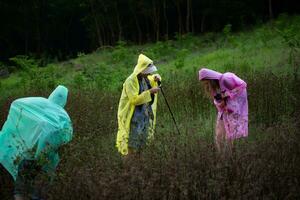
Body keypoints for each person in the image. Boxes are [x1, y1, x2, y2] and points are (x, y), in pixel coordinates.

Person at [0, 85, 73, 200]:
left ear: (52, 94)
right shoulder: (63, 116)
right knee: (39, 191)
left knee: (21, 189)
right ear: (65, 100)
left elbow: (17, 103)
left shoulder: (39, 106)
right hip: (46, 160)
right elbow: (67, 137)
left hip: (28, 155)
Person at [116, 54, 161, 156]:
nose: (148, 74)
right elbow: (134, 100)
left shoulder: (144, 78)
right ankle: (130, 166)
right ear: (141, 69)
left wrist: (156, 78)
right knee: (132, 143)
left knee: (143, 143)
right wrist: (150, 92)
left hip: (144, 116)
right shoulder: (130, 81)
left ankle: (139, 165)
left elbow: (151, 79)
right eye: (147, 72)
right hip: (133, 117)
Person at [199, 68, 248, 154]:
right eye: (204, 83)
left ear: (211, 79)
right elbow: (216, 101)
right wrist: (220, 104)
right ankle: (221, 155)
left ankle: (231, 154)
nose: (206, 85)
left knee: (231, 131)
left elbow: (243, 85)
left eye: (207, 82)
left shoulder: (226, 78)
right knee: (219, 133)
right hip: (224, 109)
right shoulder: (213, 87)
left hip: (235, 104)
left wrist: (227, 94)